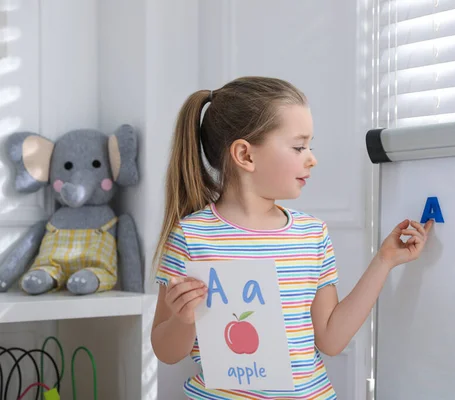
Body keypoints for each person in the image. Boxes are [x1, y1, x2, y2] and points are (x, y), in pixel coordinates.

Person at [150, 76, 434, 399]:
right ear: (245, 155)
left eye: (310, 146)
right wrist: (183, 319)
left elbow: (330, 338)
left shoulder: (311, 234)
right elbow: (166, 351)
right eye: (299, 147)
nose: (311, 158)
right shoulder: (191, 237)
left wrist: (385, 261)